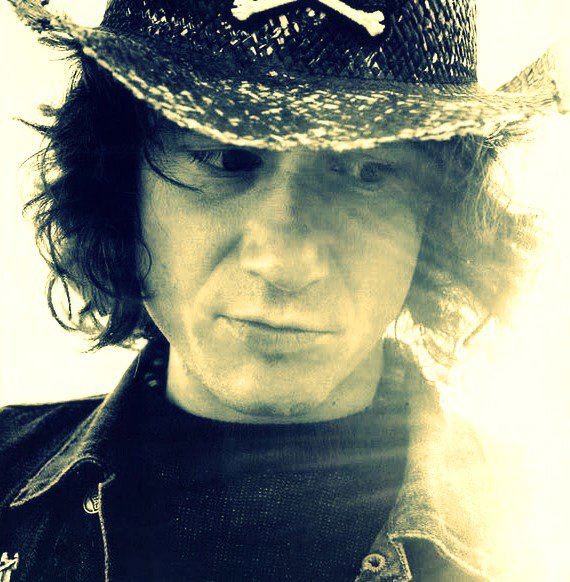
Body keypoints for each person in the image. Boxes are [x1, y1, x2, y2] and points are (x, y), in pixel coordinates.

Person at [0, 0, 564, 580]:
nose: (285, 262)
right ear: (120, 185)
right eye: (229, 159)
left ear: (438, 218)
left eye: (368, 172)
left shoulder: (545, 535)